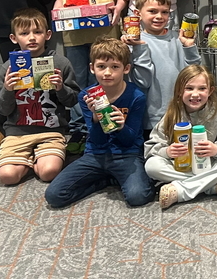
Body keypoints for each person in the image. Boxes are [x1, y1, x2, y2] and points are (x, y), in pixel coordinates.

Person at [44, 38, 154, 208]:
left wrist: (121, 127)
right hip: (95, 154)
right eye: (101, 66)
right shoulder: (86, 96)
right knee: (54, 195)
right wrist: (96, 118)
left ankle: (112, 176)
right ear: (92, 68)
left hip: (126, 154)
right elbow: (97, 140)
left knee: (138, 197)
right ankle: (104, 181)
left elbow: (130, 140)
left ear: (126, 69)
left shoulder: (135, 96)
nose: (107, 73)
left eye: (115, 67)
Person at [54, 0, 124, 152]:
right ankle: (80, 130)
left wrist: (117, 8)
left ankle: (107, 126)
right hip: (73, 36)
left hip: (105, 37)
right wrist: (57, 12)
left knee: (105, 81)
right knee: (77, 83)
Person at [0, 9, 78, 186]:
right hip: (17, 133)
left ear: (48, 35)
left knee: (49, 173)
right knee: (8, 177)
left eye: (37, 32)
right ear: (13, 38)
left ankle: (33, 160)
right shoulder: (9, 67)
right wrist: (8, 89)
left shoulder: (61, 63)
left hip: (51, 131)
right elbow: (2, 109)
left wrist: (60, 88)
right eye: (24, 33)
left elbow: (73, 101)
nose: (32, 37)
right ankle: (26, 160)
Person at [144, 65, 217, 209]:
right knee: (151, 166)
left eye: (202, 89)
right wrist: (167, 152)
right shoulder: (172, 114)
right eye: (189, 88)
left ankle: (180, 191)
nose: (195, 94)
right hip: (181, 167)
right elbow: (152, 146)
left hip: (210, 165)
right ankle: (211, 186)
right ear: (179, 91)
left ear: (210, 91)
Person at [124, 0, 200, 138]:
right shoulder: (132, 43)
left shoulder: (178, 38)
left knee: (182, 156)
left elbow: (194, 75)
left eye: (164, 12)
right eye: (152, 11)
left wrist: (189, 46)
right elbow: (142, 81)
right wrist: (139, 47)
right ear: (138, 13)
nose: (159, 16)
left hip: (181, 115)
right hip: (150, 119)